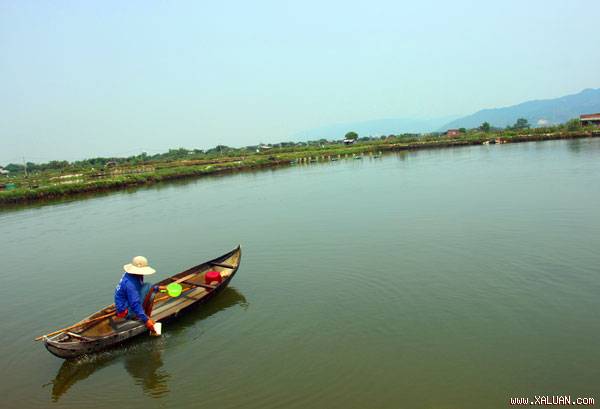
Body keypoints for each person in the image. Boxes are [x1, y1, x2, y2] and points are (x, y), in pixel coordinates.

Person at [114, 256, 157, 332]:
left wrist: (158, 288)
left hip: (123, 306)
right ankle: (144, 316)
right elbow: (135, 303)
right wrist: (146, 320)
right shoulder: (130, 284)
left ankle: (140, 314)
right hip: (126, 313)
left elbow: (139, 288)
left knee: (150, 287)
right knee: (150, 287)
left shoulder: (130, 275)